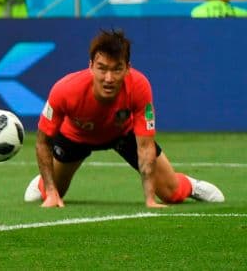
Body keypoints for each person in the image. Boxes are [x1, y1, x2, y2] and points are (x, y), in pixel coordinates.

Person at [24, 29, 224, 208]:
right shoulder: (64, 89)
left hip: (122, 133)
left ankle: (191, 186)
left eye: (116, 69)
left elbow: (145, 146)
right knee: (49, 194)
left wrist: (150, 199)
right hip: (75, 135)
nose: (108, 78)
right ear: (91, 66)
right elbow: (42, 142)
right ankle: (43, 183)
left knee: (171, 193)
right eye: (102, 68)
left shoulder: (139, 86)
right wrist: (51, 193)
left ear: (128, 67)